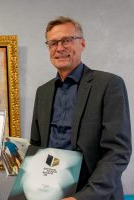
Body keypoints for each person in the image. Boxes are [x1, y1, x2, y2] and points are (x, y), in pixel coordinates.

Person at [31, 16, 132, 199]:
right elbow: (36, 146)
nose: (59, 48)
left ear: (82, 43)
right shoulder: (43, 92)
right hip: (53, 193)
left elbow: (117, 152)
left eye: (67, 40)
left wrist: (83, 197)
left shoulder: (109, 85)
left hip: (95, 194)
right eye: (53, 43)